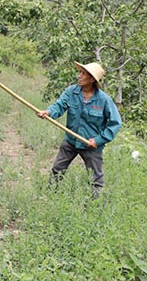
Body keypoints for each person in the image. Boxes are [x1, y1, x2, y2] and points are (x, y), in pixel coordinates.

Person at [37, 61, 122, 195]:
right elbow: (60, 105)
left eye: (83, 73)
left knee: (96, 179)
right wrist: (48, 112)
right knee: (57, 170)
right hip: (71, 140)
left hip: (91, 145)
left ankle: (96, 205)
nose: (79, 76)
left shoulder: (104, 100)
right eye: (80, 72)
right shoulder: (72, 92)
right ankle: (50, 196)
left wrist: (98, 140)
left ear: (92, 79)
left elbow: (115, 123)